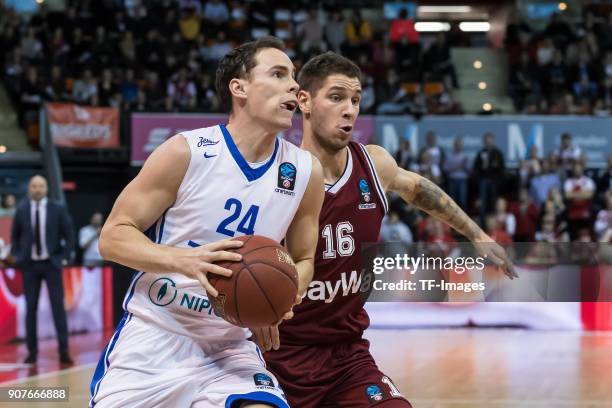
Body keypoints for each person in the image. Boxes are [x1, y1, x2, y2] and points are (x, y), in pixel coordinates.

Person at [264, 52, 515, 408]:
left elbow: (419, 189)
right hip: (277, 355)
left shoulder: (373, 163)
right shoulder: (277, 174)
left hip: (346, 357)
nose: (349, 109)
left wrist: (476, 234)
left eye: (355, 100)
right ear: (303, 100)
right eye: (336, 97)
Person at [89, 37, 324, 408]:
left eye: (293, 77)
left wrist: (279, 298)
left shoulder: (306, 172)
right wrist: (186, 260)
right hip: (156, 336)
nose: (294, 85)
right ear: (239, 88)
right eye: (278, 74)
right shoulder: (186, 152)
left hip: (230, 347)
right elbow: (113, 237)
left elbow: (305, 258)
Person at [10, 175, 74, 365]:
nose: (37, 189)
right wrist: (19, 256)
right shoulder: (21, 210)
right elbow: (15, 237)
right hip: (30, 266)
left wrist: (62, 257)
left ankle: (63, 351)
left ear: (46, 188)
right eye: (34, 186)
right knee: (31, 309)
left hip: (52, 265)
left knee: (58, 309)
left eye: (41, 186)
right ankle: (31, 352)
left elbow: (69, 235)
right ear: (29, 188)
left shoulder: (58, 209)